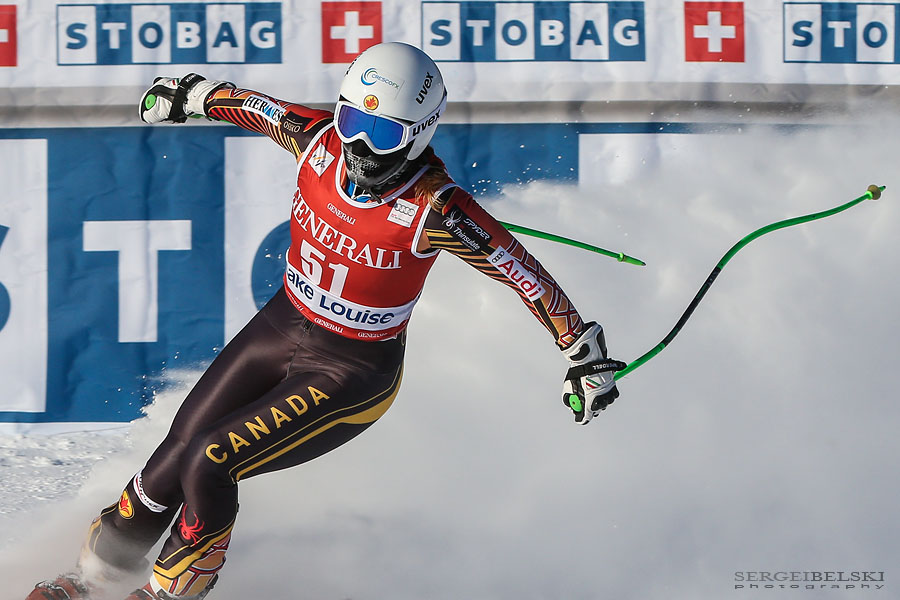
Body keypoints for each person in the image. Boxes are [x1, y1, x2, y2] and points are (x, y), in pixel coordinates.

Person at [27, 42, 625, 600]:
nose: (361, 146)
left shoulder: (437, 207)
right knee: (170, 459)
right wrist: (191, 95)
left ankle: (165, 593)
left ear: (419, 136)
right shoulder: (318, 140)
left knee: (211, 458)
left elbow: (521, 271)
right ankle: (94, 581)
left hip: (353, 368)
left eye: (383, 133)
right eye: (352, 122)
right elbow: (252, 108)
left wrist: (584, 352)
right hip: (285, 325)